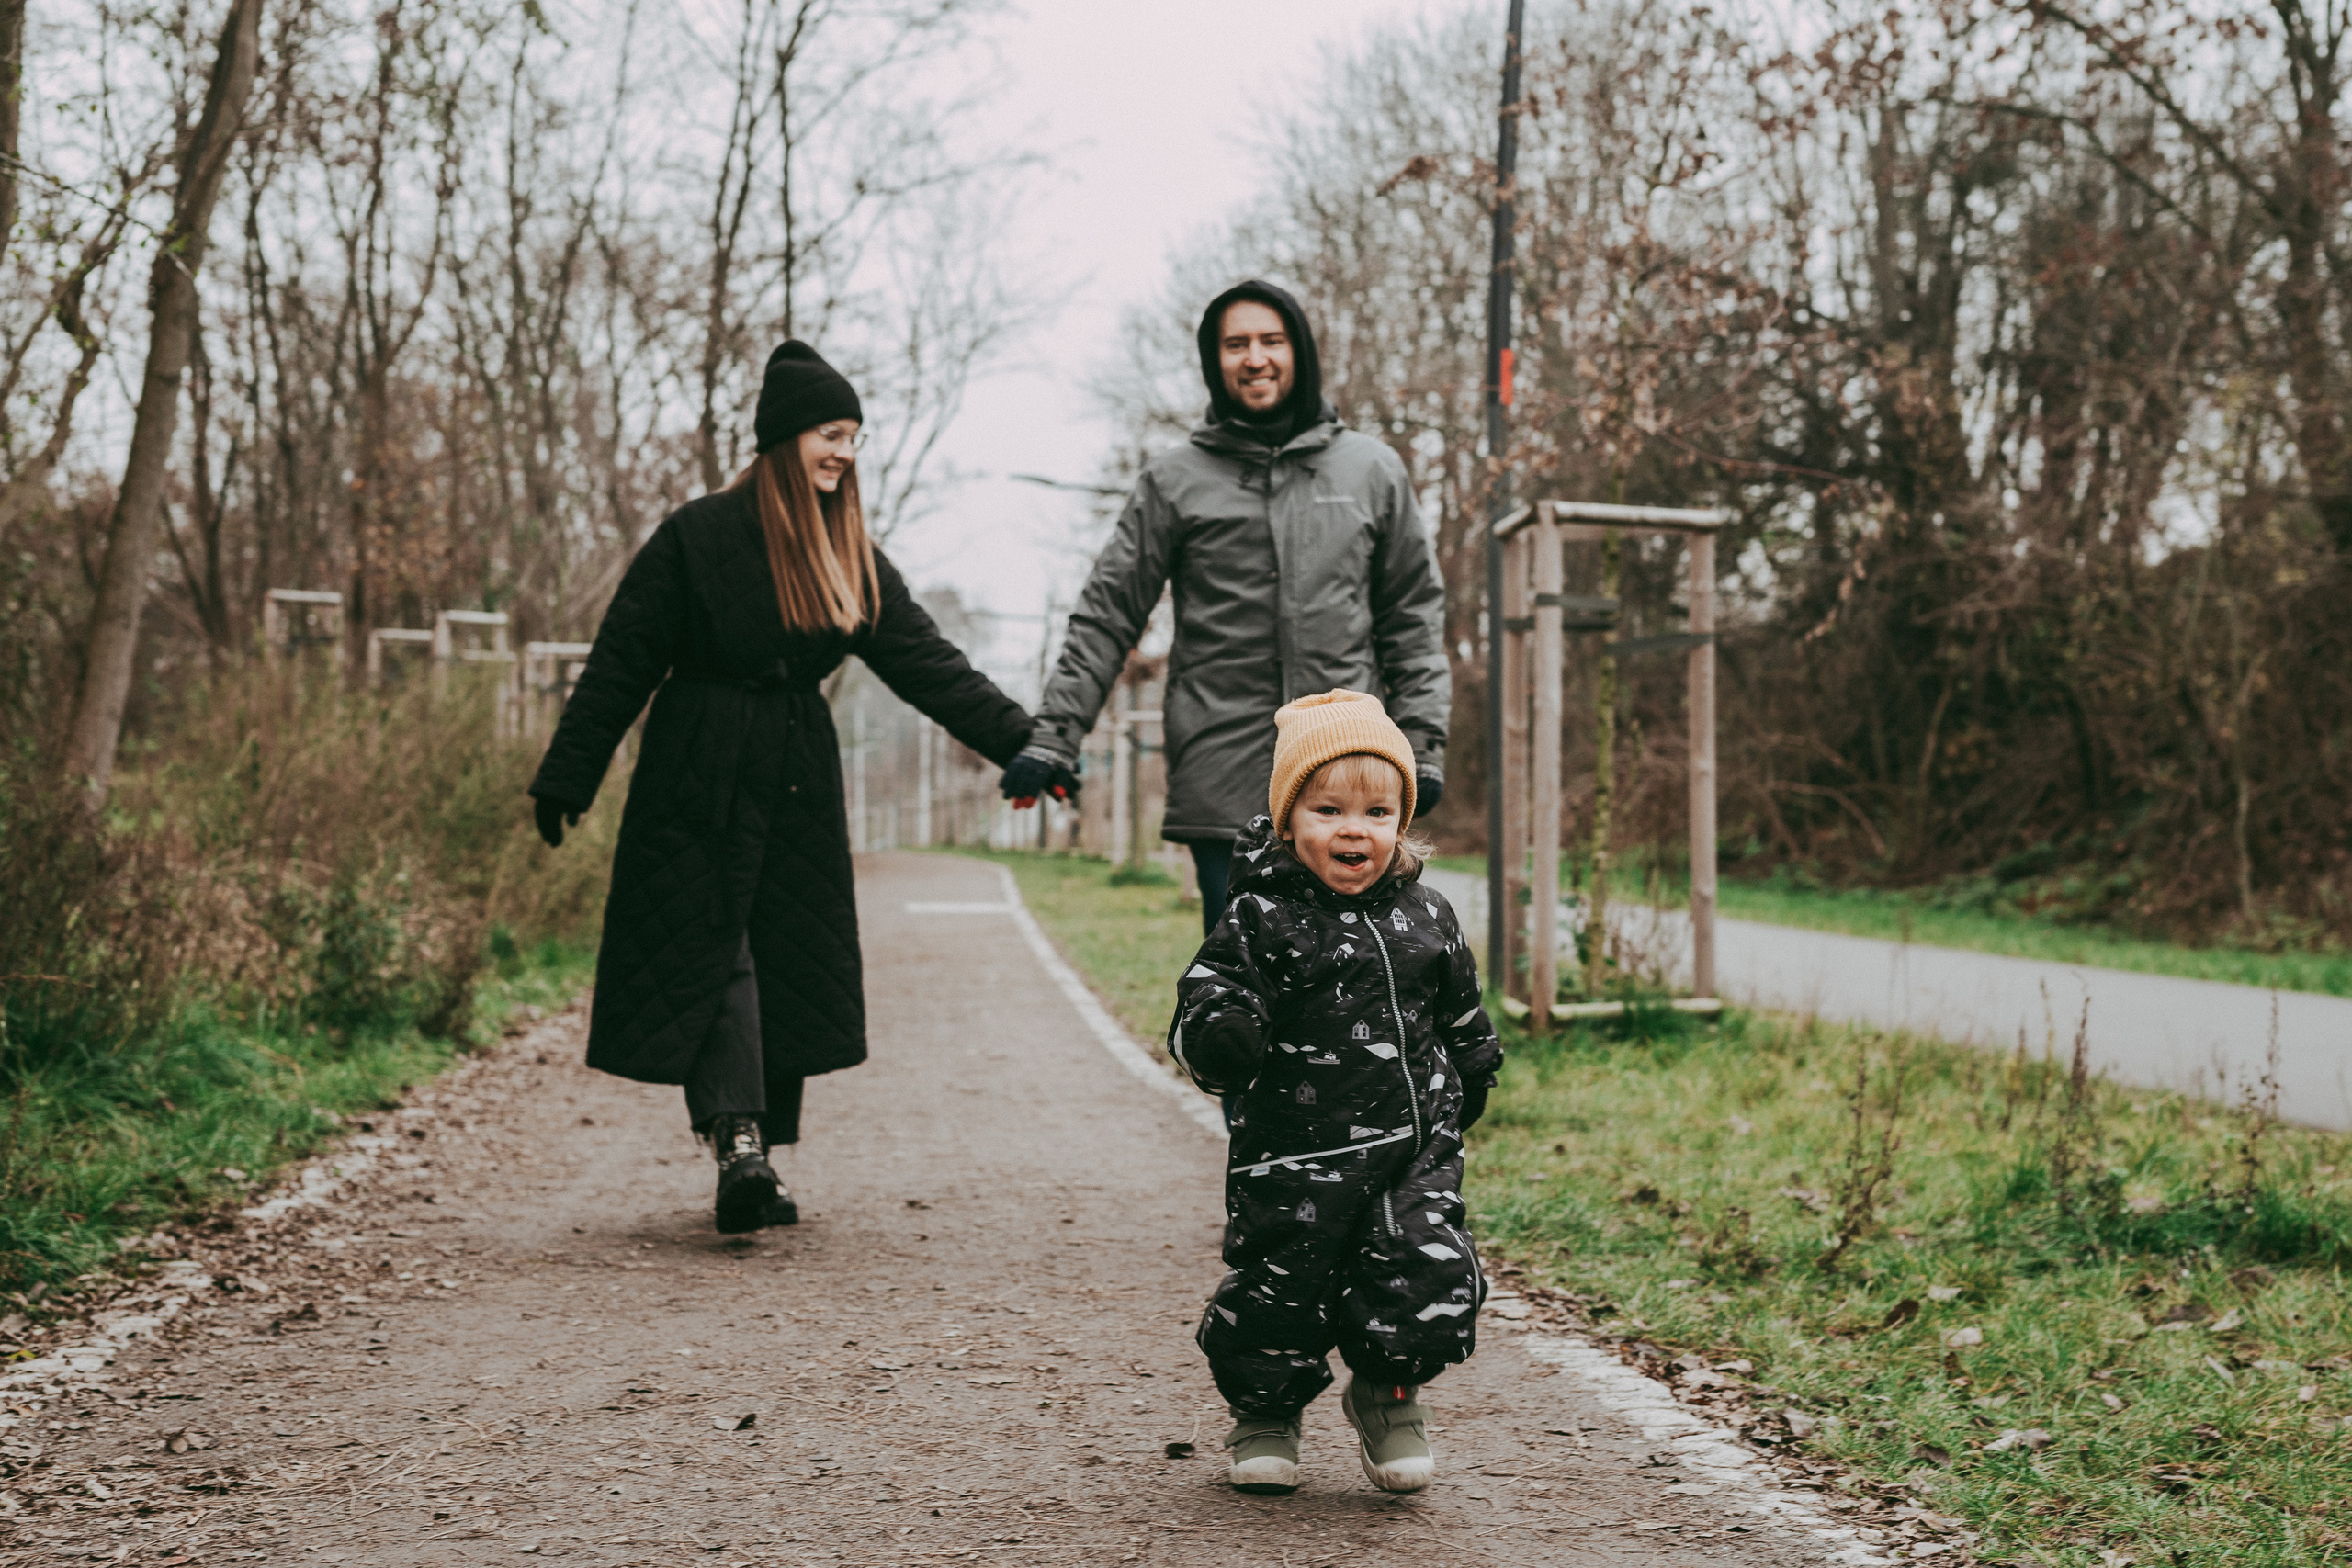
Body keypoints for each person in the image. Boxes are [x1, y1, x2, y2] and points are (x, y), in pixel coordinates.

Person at [527, 341, 1037, 1235]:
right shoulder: (696, 536)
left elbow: (929, 665)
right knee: (713, 947)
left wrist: (1027, 744)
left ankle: (751, 1141)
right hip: (693, 761)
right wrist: (570, 771)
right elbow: (622, 661)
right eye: (828, 434)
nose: (842, 452)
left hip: (796, 770)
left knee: (778, 952)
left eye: (853, 437)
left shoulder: (849, 554)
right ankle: (739, 1144)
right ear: (780, 438)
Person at [1001, 280, 1448, 934]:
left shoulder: (1371, 471)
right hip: (1224, 762)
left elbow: (1412, 616)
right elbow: (1108, 613)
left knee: (1350, 962)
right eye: (1235, 344)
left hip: (1346, 766)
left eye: (1271, 340)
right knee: (1242, 963)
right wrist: (1053, 735)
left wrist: (1421, 744)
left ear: (1299, 352)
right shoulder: (1175, 480)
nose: (1255, 357)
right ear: (1216, 362)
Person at [1165, 689, 1501, 1497]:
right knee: (1282, 1282)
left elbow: (1461, 1007)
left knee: (1424, 1270)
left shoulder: (1429, 914)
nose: (1356, 828)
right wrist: (1225, 1031)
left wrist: (1476, 1066)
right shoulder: (1260, 915)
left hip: (1412, 1144)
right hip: (1294, 1149)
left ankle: (1388, 1399)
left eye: (1378, 809)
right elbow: (1206, 997)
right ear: (1288, 821)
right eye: (1329, 808)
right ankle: (1266, 1411)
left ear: (1401, 820)